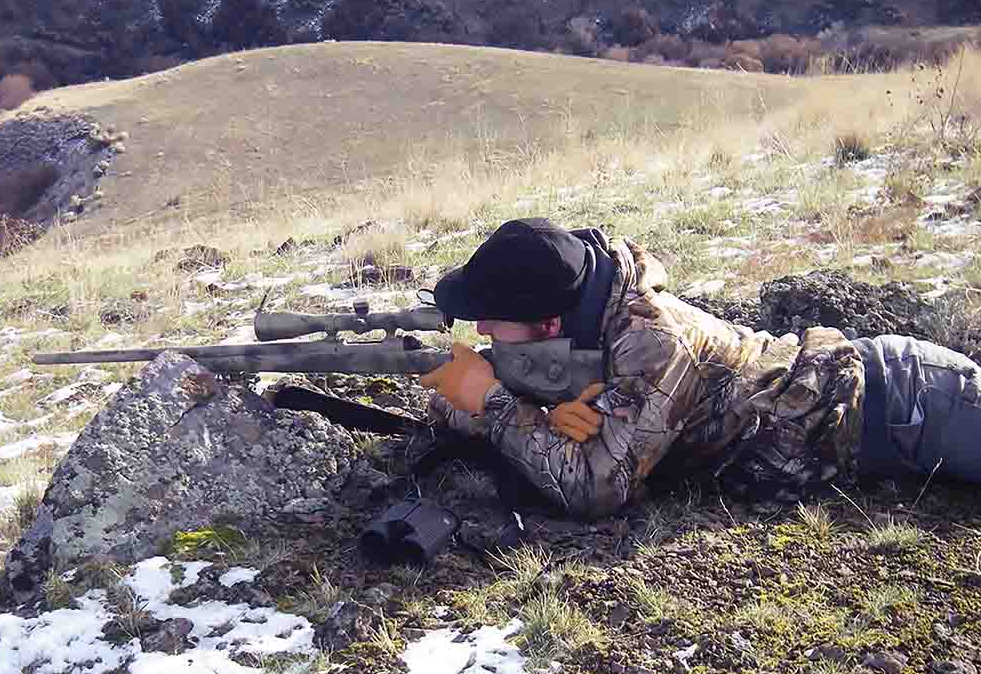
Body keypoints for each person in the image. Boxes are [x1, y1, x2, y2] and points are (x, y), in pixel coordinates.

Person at [418, 218, 981, 520]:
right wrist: (527, 411)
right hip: (881, 415)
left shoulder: (651, 342)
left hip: (908, 401)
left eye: (492, 320)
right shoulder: (575, 314)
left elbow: (594, 488)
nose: (483, 333)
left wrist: (495, 405)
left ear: (545, 324)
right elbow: (458, 394)